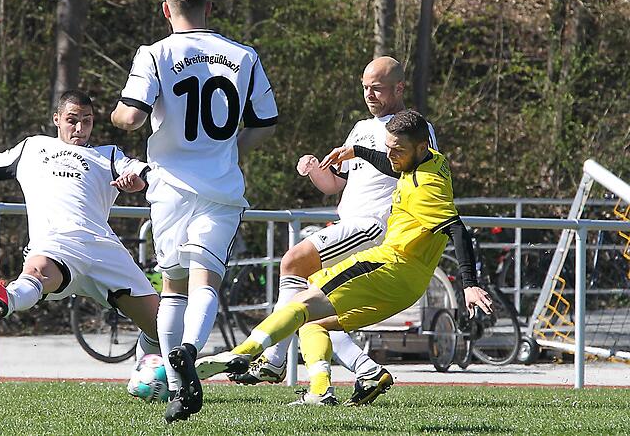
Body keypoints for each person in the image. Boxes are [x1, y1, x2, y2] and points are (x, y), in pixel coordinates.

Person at [196, 109, 492, 406]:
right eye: (388, 147)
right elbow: (394, 168)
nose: (391, 155)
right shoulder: (433, 162)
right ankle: (321, 390)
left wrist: (469, 284)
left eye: (397, 150)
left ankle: (242, 353)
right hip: (409, 286)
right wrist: (359, 151)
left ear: (421, 147)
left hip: (387, 264)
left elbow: (457, 229)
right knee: (316, 323)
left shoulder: (424, 186)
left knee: (301, 300)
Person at [227, 57, 438, 407]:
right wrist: (313, 169)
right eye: (365, 86)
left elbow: (413, 170)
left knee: (293, 263)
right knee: (314, 310)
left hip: (373, 227)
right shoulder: (359, 127)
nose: (369, 94)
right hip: (349, 223)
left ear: (399, 88)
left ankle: (274, 359)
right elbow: (334, 185)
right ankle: (363, 372)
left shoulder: (413, 129)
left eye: (378, 88)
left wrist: (360, 151)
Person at [110, 0, 277, 423]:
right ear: (210, 7)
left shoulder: (154, 53)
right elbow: (266, 123)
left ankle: (176, 383)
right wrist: (231, 146)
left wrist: (115, 116)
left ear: (166, 9)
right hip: (220, 188)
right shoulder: (243, 55)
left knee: (172, 287)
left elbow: (130, 117)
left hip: (168, 188)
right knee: (207, 281)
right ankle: (189, 351)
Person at [0, 90, 162, 363]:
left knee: (162, 330)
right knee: (36, 271)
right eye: (72, 120)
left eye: (87, 120)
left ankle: (148, 374)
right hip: (57, 244)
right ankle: (8, 298)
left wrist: (138, 182)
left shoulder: (108, 156)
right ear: (56, 119)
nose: (80, 128)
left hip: (103, 249)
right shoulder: (32, 147)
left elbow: (145, 173)